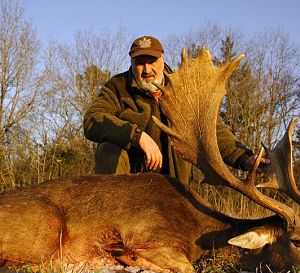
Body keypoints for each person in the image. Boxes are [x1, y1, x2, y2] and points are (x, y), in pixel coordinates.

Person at [83, 35, 268, 185]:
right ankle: (111, 217)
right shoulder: (117, 86)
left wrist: (245, 159)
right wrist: (137, 136)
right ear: (131, 62)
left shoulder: (185, 90)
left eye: (152, 61)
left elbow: (213, 130)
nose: (147, 69)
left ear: (162, 60)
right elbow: (93, 119)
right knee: (109, 147)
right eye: (140, 62)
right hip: (130, 188)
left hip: (174, 188)